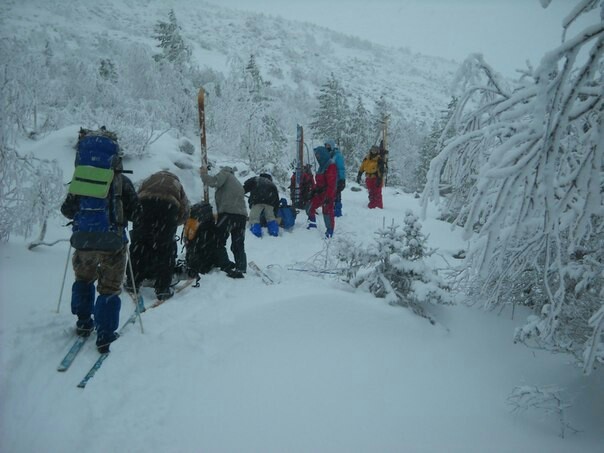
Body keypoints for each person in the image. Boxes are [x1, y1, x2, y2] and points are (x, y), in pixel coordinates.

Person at [61, 130, 141, 353]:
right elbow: (136, 213)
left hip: (83, 241)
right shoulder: (122, 181)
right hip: (112, 242)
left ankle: (84, 322)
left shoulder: (80, 181)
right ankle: (104, 335)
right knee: (109, 288)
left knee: (84, 280)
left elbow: (67, 210)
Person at [128, 171, 190, 301]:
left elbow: (136, 196)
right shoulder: (176, 184)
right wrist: (172, 224)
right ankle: (162, 288)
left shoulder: (149, 179)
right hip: (168, 208)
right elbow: (185, 210)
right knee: (165, 249)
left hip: (144, 204)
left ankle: (132, 282)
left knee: (139, 245)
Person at [200, 165, 247, 278]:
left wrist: (203, 174)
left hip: (227, 214)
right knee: (238, 243)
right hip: (241, 216)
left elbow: (214, 182)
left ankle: (225, 265)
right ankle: (241, 266)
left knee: (218, 240)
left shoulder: (225, 174)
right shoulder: (236, 182)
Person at [306, 146, 337, 238]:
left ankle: (330, 231)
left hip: (327, 193)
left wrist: (329, 196)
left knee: (327, 212)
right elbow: (319, 182)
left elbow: (332, 184)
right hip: (319, 193)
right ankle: (312, 225)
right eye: (316, 155)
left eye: (318, 154)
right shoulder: (321, 166)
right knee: (309, 206)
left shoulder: (330, 166)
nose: (317, 157)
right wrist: (314, 190)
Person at [243, 173, 280, 237]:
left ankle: (256, 233)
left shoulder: (256, 179)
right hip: (270, 202)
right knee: (271, 218)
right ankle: (274, 231)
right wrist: (275, 212)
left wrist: (241, 192)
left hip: (257, 200)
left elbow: (246, 185)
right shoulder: (272, 184)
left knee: (254, 218)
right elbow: (277, 201)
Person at [325, 138, 346, 217]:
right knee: (330, 194)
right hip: (329, 179)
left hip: (336, 179)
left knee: (337, 194)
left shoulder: (337, 155)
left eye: (328, 145)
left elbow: (341, 168)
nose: (327, 147)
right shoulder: (327, 155)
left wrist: (342, 179)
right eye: (326, 145)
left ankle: (337, 211)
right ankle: (330, 209)